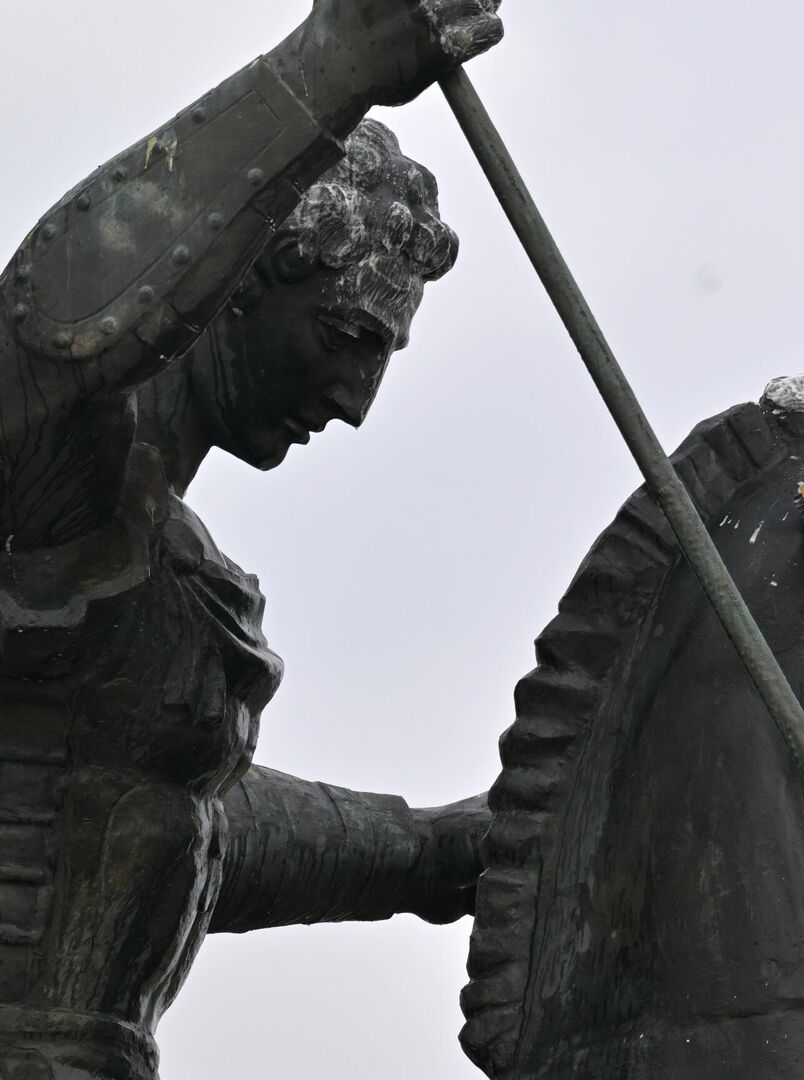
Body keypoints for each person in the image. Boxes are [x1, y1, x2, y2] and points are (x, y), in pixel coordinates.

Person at [0, 2, 502, 1076]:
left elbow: (175, 835)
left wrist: (425, 852)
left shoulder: (157, 557)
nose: (357, 400)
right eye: (345, 335)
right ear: (238, 283)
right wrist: (332, 69)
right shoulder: (54, 487)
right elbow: (49, 329)